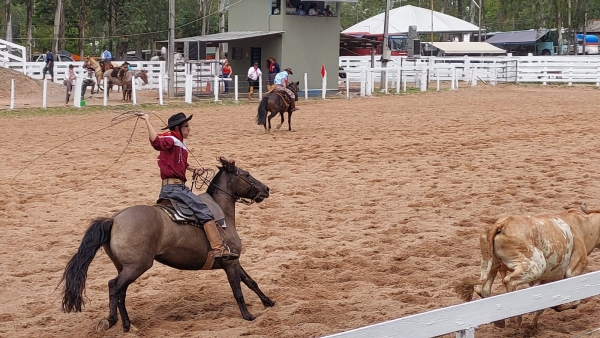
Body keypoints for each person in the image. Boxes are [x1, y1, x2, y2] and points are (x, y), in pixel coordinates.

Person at [138, 112, 238, 260]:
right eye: (186, 126)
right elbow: (156, 142)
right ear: (177, 128)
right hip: (175, 189)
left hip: (172, 187)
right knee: (203, 209)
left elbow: (181, 164)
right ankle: (218, 248)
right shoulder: (171, 139)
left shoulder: (179, 143)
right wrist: (147, 121)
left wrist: (193, 169)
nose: (189, 129)